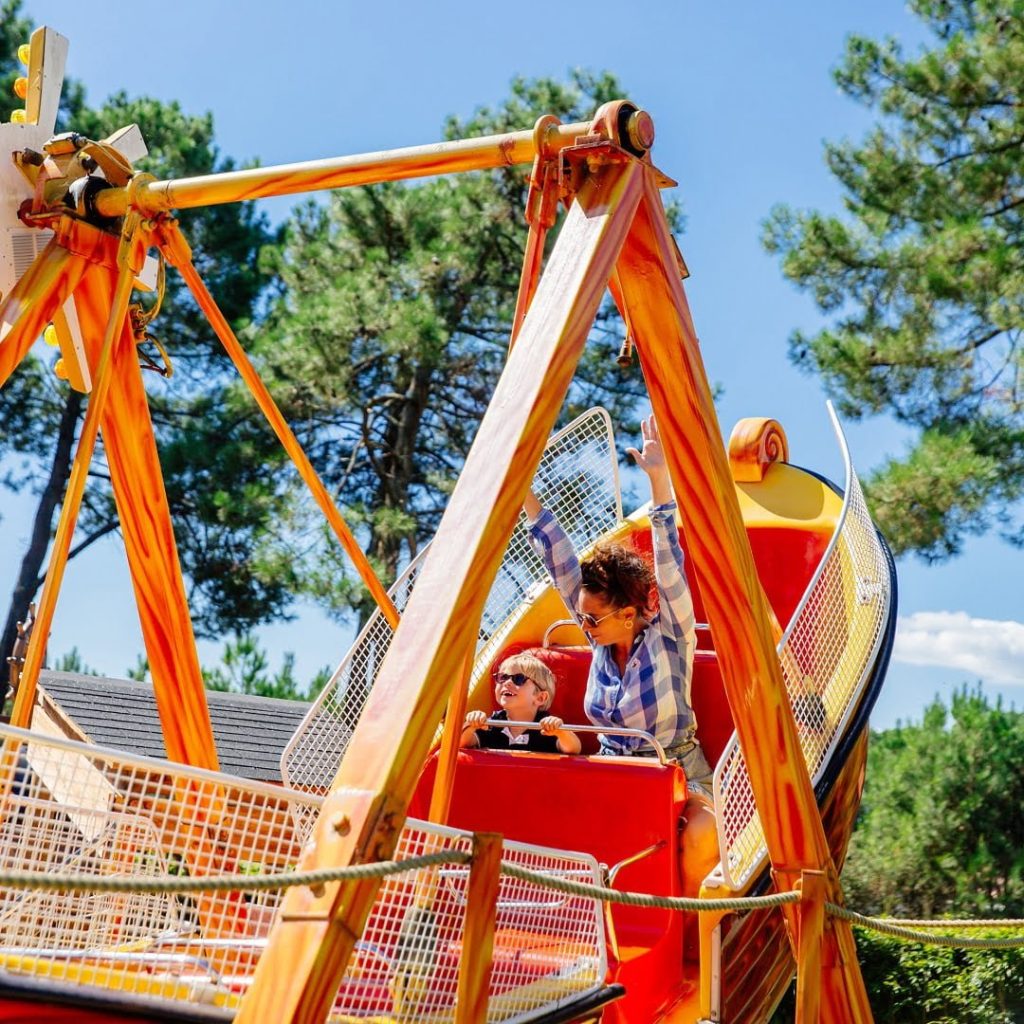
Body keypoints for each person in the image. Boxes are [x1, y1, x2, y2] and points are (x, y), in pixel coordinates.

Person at [523, 414, 713, 792]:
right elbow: (558, 560)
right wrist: (521, 489)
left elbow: (669, 564)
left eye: (591, 619)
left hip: (678, 776)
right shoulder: (600, 639)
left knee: (693, 840)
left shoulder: (671, 636)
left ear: (628, 614)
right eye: (582, 618)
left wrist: (659, 482)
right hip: (614, 773)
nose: (585, 628)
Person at [461, 651, 581, 754]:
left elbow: (573, 749)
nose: (507, 683)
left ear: (540, 698)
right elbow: (462, 743)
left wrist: (561, 732)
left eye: (518, 679)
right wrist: (471, 725)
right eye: (502, 677)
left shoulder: (547, 727)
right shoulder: (491, 724)